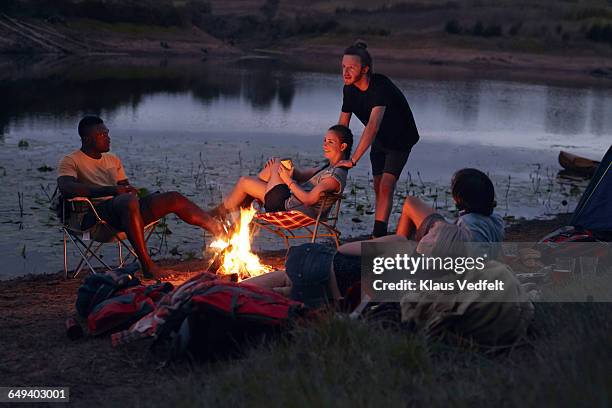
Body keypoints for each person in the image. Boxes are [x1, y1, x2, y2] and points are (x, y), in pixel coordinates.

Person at [57, 116, 224, 279]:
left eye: (107, 133)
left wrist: (135, 194)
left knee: (173, 198)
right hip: (93, 219)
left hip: (123, 215)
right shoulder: (71, 160)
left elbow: (125, 190)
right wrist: (112, 191)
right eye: (102, 135)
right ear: (87, 139)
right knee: (127, 201)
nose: (108, 138)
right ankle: (148, 267)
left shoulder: (113, 159)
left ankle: (222, 232)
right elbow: (66, 187)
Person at [336, 41, 420, 238]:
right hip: (380, 140)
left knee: (386, 186)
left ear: (365, 69)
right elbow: (342, 126)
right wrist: (336, 153)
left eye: (352, 67)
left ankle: (378, 235)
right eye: (343, 67)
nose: (346, 72)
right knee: (377, 186)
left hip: (400, 139)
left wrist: (353, 159)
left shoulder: (380, 87)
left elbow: (372, 127)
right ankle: (380, 228)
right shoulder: (349, 89)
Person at [211, 125, 353, 219]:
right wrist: (289, 170)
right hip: (289, 201)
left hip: (287, 206)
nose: (325, 145)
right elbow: (302, 175)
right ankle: (232, 207)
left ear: (343, 146)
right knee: (246, 181)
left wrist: (288, 180)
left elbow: (309, 200)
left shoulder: (334, 176)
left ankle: (226, 209)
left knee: (274, 167)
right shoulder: (328, 168)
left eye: (330, 142)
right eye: (324, 141)